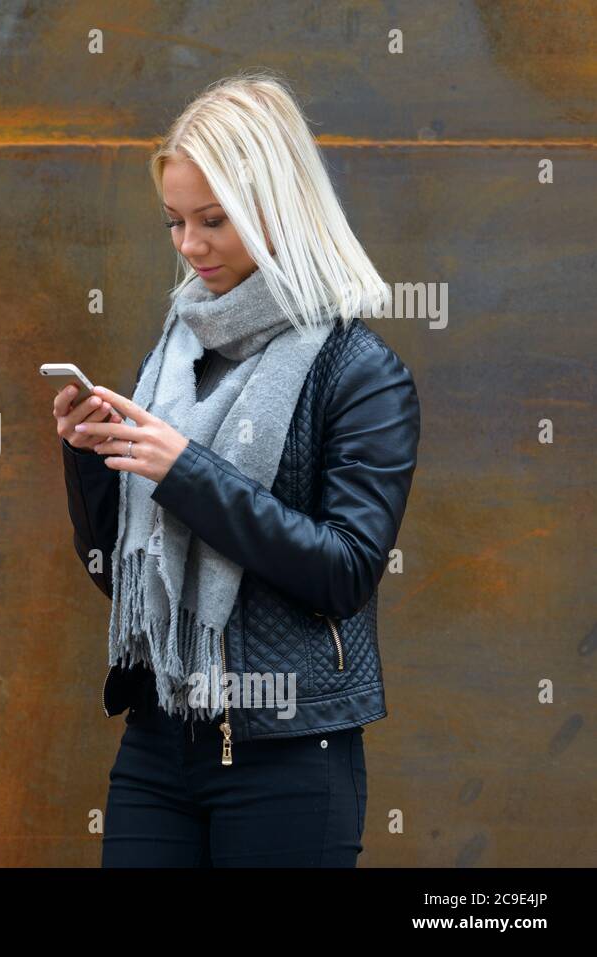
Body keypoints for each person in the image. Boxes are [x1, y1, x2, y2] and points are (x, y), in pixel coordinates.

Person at [52, 70, 421, 867]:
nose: (189, 246)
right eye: (176, 222)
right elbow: (124, 577)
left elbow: (344, 571)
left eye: (213, 220)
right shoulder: (176, 359)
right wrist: (90, 460)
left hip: (292, 754)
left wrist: (187, 471)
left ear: (277, 207)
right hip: (158, 741)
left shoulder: (361, 373)